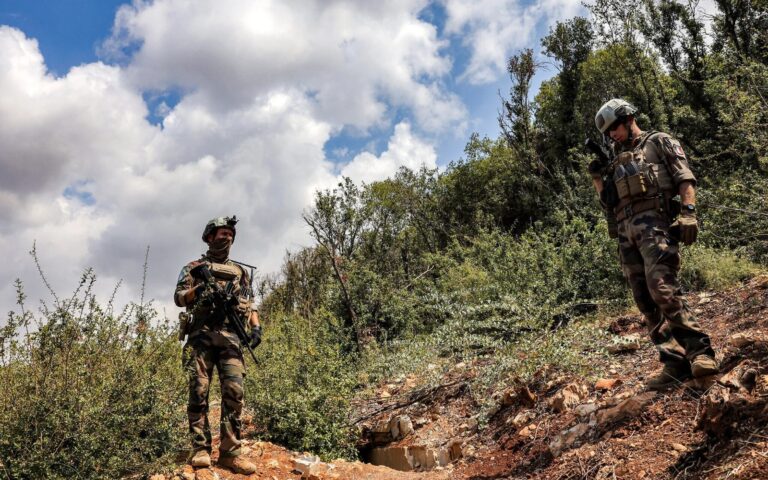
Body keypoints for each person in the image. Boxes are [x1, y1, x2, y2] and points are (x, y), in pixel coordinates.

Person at [590, 99, 719, 390]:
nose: (612, 135)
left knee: (662, 287)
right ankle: (674, 362)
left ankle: (700, 353)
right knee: (644, 300)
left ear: (628, 118)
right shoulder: (614, 161)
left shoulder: (658, 141)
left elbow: (684, 177)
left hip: (654, 226)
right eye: (608, 132)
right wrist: (598, 177)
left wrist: (688, 212)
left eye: (614, 128)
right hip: (626, 234)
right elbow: (607, 204)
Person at [174, 216, 262, 474]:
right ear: (210, 237)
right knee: (198, 392)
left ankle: (230, 453)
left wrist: (256, 328)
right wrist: (199, 290)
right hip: (201, 336)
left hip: (231, 339)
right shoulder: (193, 267)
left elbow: (250, 303)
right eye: (223, 233)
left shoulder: (240, 272)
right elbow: (179, 298)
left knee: (234, 393)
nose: (227, 237)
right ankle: (200, 449)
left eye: (230, 234)